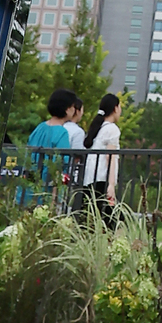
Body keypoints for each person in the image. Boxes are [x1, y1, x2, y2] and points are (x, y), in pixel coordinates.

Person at [27, 88, 83, 203]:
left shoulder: (40, 127)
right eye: (73, 106)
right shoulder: (61, 133)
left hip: (29, 187)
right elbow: (61, 164)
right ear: (67, 109)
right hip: (45, 190)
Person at [81, 94, 122, 223]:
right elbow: (110, 157)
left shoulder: (98, 128)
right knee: (114, 220)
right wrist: (111, 185)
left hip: (90, 179)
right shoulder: (112, 129)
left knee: (91, 219)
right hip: (103, 180)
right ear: (115, 108)